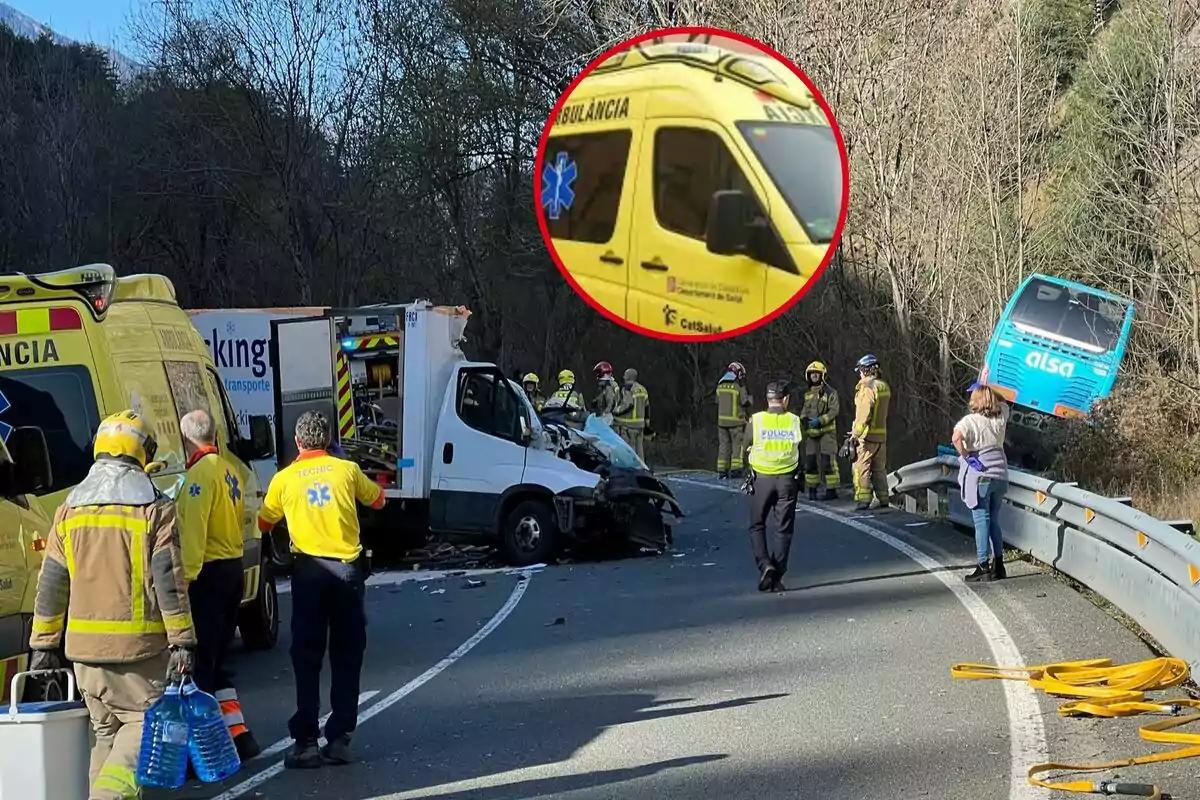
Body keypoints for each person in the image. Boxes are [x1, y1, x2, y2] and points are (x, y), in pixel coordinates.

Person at [28, 410, 196, 800]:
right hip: (138, 654)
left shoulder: (69, 508)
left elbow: (52, 583)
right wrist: (183, 640)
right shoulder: (154, 508)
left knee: (105, 738)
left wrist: (43, 646)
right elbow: (168, 581)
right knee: (142, 729)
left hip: (85, 659)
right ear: (142, 453)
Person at [258, 410, 386, 769]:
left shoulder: (285, 479)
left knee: (307, 656)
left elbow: (264, 521)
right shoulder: (346, 471)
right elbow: (378, 500)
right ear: (329, 439)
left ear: (298, 442)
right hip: (347, 572)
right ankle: (340, 738)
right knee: (347, 654)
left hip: (309, 573)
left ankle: (306, 742)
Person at [176, 409, 261, 760]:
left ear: (187, 438)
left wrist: (185, 579)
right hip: (232, 570)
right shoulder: (230, 470)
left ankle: (210, 749)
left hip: (207, 575)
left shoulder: (199, 475)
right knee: (217, 661)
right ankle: (240, 738)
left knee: (200, 667)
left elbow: (194, 531)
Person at [743, 380, 804, 593]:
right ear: (785, 399)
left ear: (767, 399)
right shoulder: (794, 421)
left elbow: (745, 446)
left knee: (757, 525)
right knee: (783, 529)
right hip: (787, 480)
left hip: (762, 480)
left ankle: (765, 565)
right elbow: (800, 449)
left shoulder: (756, 420)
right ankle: (777, 577)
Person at [953, 382, 1011, 582]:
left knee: (981, 522)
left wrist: (967, 456)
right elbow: (1003, 401)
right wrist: (988, 388)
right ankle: (999, 565)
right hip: (1000, 475)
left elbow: (956, 438)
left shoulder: (969, 421)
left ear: (974, 400)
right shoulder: (1001, 418)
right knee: (994, 520)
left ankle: (982, 565)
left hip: (982, 477)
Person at [850, 353, 892, 511]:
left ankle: (863, 500)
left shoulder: (867, 388)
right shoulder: (883, 386)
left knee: (862, 468)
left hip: (867, 437)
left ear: (865, 370)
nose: (859, 374)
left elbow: (864, 413)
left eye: (860, 370)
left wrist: (855, 434)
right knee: (879, 469)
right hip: (881, 436)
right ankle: (883, 499)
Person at [799, 361, 841, 500]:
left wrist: (820, 421)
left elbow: (834, 411)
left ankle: (832, 490)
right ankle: (812, 489)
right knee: (810, 463)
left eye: (817, 374)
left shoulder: (830, 393)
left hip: (827, 433)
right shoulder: (808, 394)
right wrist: (804, 420)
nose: (814, 376)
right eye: (812, 374)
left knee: (827, 462)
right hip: (811, 434)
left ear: (822, 376)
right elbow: (804, 411)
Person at [716, 361, 751, 479]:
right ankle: (736, 470)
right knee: (738, 446)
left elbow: (717, 401)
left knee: (723, 446)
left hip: (721, 423)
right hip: (736, 423)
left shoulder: (719, 386)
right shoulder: (737, 387)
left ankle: (722, 470)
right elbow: (745, 402)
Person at [613, 368, 650, 461]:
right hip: (640, 426)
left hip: (629, 426)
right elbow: (647, 406)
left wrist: (615, 412)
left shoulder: (628, 389)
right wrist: (647, 421)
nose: (623, 377)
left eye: (625, 375)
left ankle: (632, 471)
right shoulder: (642, 389)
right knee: (639, 451)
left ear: (628, 376)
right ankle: (642, 469)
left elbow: (628, 405)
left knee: (629, 450)